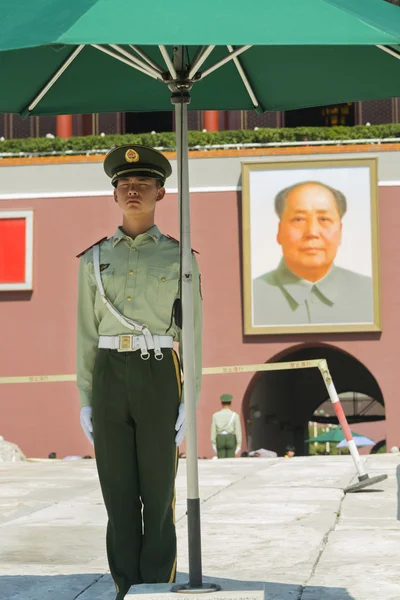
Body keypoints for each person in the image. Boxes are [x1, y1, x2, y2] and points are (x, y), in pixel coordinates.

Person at [76, 144, 202, 599]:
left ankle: (156, 588)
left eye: (143, 184)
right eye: (124, 184)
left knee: (158, 493)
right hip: (110, 373)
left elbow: (192, 335)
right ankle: (125, 588)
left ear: (161, 193)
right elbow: (85, 335)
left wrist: (192, 396)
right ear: (114, 194)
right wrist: (86, 398)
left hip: (157, 373)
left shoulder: (179, 257)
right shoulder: (93, 259)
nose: (133, 190)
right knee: (118, 495)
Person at [252, 181, 373, 326]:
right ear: (279, 231)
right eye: (299, 219)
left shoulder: (372, 294)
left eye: (324, 219)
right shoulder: (251, 297)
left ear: (340, 231)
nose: (312, 232)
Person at [211, 394, 242, 458]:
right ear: (230, 403)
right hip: (231, 437)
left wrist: (213, 442)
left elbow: (213, 430)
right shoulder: (235, 415)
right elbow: (238, 431)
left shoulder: (215, 415)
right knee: (230, 461)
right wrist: (239, 444)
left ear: (221, 403)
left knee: (221, 460)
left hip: (220, 438)